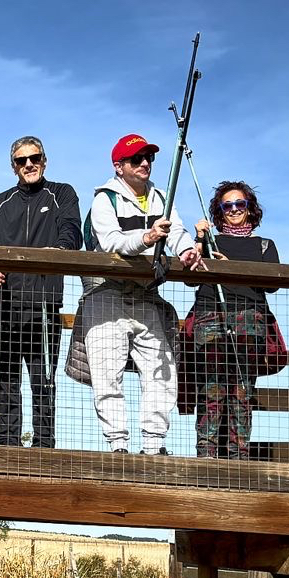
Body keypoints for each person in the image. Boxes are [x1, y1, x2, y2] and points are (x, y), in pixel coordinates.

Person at [82, 133, 201, 455]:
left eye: (149, 157)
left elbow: (176, 231)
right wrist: (147, 237)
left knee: (162, 371)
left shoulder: (162, 196)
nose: (145, 163)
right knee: (107, 375)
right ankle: (118, 445)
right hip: (106, 294)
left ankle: (153, 446)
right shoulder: (104, 199)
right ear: (119, 166)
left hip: (146, 296)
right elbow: (110, 242)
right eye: (137, 159)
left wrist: (188, 250)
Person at [0, 136, 82, 448]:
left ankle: (43, 448)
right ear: (13, 166)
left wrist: (58, 251)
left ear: (44, 160)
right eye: (21, 160)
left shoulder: (62, 193)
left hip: (44, 306)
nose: (29, 164)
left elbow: (72, 231)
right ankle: (8, 447)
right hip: (5, 308)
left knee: (44, 383)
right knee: (6, 383)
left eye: (35, 157)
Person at [183, 182, 281, 459]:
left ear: (250, 209)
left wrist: (233, 270)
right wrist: (200, 238)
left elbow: (273, 283)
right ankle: (207, 455)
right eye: (228, 205)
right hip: (210, 318)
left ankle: (239, 456)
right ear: (220, 211)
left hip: (250, 322)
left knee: (242, 392)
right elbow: (191, 277)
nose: (235, 210)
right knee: (211, 391)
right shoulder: (209, 240)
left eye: (241, 204)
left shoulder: (264, 245)